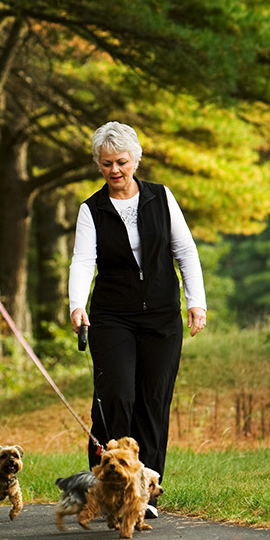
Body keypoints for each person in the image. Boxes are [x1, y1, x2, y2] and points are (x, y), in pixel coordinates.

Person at [68, 121, 207, 519]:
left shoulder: (161, 198)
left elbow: (186, 251)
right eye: (107, 163)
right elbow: (83, 260)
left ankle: (145, 493)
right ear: (98, 164)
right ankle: (108, 488)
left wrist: (195, 301)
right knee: (117, 397)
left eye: (122, 162)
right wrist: (78, 304)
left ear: (136, 160)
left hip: (162, 316)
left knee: (153, 401)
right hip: (112, 316)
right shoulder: (91, 209)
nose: (115, 170)